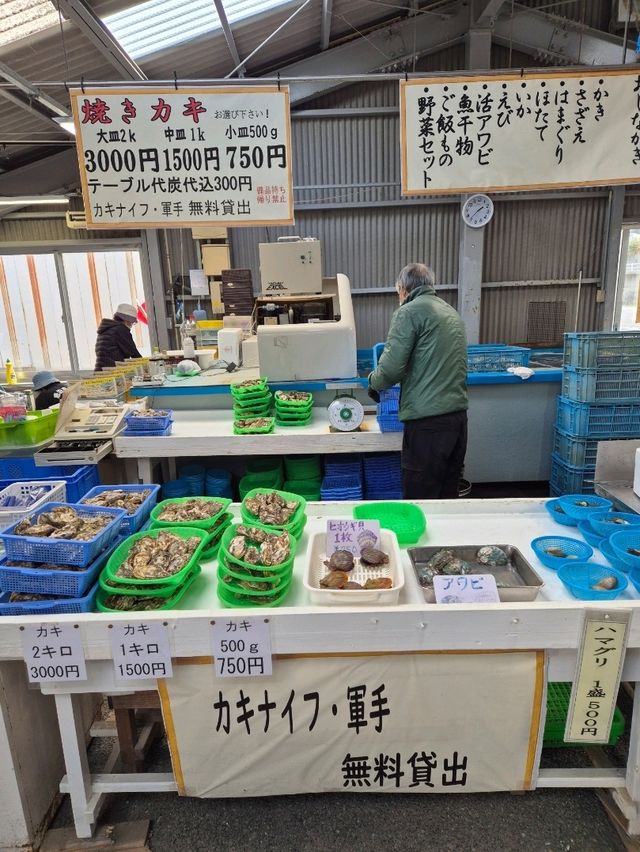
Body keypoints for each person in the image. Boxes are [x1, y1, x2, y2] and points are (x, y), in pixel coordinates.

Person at [368, 263, 468, 499]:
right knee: (447, 495)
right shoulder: (450, 312)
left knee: (421, 497)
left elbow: (391, 369)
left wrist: (373, 382)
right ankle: (446, 537)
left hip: (427, 425)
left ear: (403, 289)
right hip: (458, 420)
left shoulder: (409, 312)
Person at [94, 303, 142, 371]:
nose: (131, 325)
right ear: (126, 320)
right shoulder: (121, 330)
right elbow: (134, 354)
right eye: (131, 322)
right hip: (112, 372)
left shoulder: (106, 329)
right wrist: (146, 366)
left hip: (101, 371)